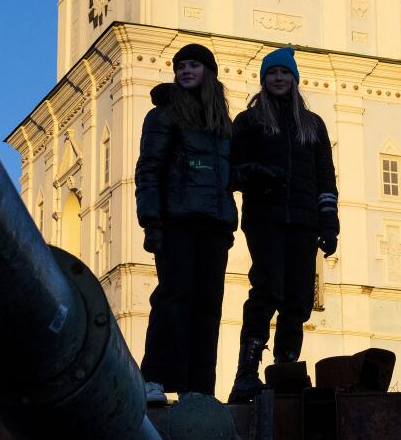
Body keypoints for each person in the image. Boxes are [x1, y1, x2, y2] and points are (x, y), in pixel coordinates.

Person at [228, 47, 337, 401]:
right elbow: (232, 171)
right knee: (267, 290)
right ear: (263, 80)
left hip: (304, 222)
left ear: (294, 79)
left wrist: (329, 220)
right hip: (266, 219)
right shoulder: (249, 122)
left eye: (284, 73)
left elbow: (325, 176)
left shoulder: (313, 125)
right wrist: (257, 175)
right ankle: (247, 370)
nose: (278, 78)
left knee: (299, 299)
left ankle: (285, 368)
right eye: (272, 73)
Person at [135, 42, 237, 403]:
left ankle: (199, 390)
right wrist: (151, 221)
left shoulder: (221, 123)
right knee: (173, 298)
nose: (185, 71)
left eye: (193, 65)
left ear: (208, 72)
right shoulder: (163, 116)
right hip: (177, 220)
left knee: (208, 306)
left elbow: (230, 172)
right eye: (180, 67)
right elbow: (149, 170)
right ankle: (155, 379)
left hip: (215, 225)